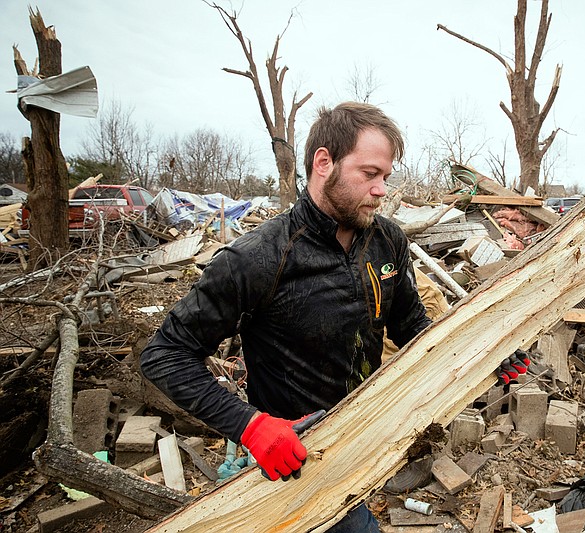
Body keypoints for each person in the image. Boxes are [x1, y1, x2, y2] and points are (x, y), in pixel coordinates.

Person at [140, 102, 531, 530]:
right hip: (298, 460)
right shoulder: (257, 259)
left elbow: (410, 325)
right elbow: (166, 353)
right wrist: (251, 427)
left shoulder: (387, 241)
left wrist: (478, 352)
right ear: (324, 162)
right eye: (369, 174)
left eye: (386, 176)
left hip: (365, 439)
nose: (382, 189)